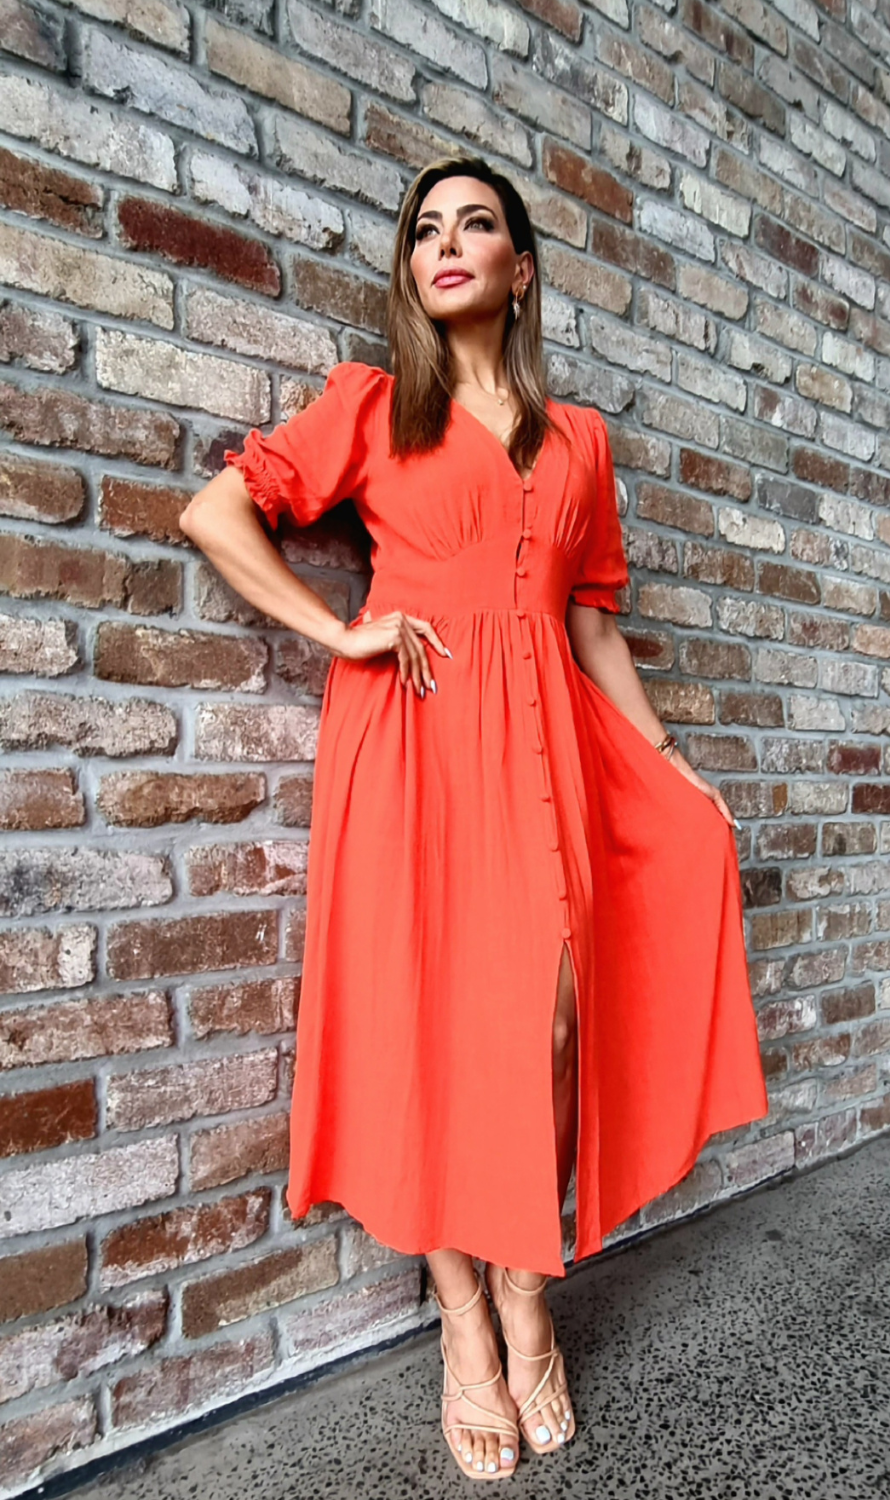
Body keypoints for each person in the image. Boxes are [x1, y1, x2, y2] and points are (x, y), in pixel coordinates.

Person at [179, 153, 770, 1483]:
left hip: (549, 747)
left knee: (552, 1020)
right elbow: (217, 511)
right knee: (428, 1029)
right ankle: (469, 1323)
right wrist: (343, 628)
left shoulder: (582, 443)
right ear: (409, 269)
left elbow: (594, 628)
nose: (447, 245)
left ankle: (525, 1287)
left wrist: (674, 770)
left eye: (478, 225)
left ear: (520, 265)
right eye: (426, 230)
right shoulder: (376, 406)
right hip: (414, 746)